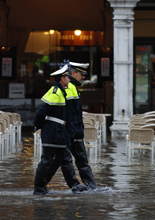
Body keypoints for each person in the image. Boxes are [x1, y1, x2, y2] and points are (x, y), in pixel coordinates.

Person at [33, 66, 87, 195]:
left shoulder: (62, 91)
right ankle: (39, 188)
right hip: (52, 132)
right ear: (62, 79)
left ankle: (74, 185)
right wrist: (38, 126)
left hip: (59, 132)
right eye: (67, 77)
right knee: (46, 161)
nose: (69, 79)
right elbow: (41, 111)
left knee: (66, 158)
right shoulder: (55, 92)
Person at [46, 62, 98, 190]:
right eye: (82, 74)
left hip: (73, 132)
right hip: (70, 132)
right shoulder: (69, 88)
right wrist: (72, 132)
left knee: (69, 160)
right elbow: (67, 113)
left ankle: (88, 186)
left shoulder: (72, 88)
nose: (84, 77)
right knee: (63, 160)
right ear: (73, 73)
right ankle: (42, 183)